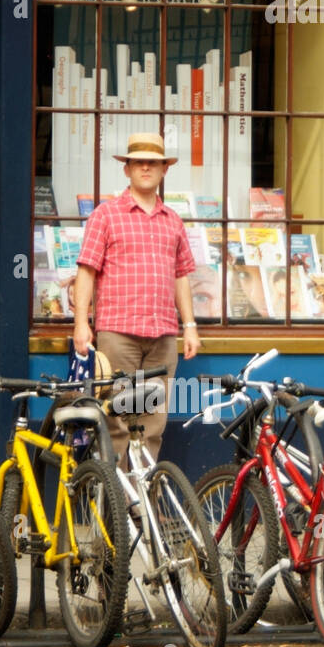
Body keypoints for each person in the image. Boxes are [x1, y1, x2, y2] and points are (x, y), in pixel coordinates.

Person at [72, 131, 200, 463]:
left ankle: (141, 510)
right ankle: (114, 506)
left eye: (153, 163)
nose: (146, 168)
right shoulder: (106, 214)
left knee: (151, 426)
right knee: (117, 424)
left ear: (164, 170)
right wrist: (81, 324)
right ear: (127, 169)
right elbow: (87, 270)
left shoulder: (172, 221)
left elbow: (180, 275)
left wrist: (189, 326)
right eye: (138, 162)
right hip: (119, 336)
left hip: (161, 338)